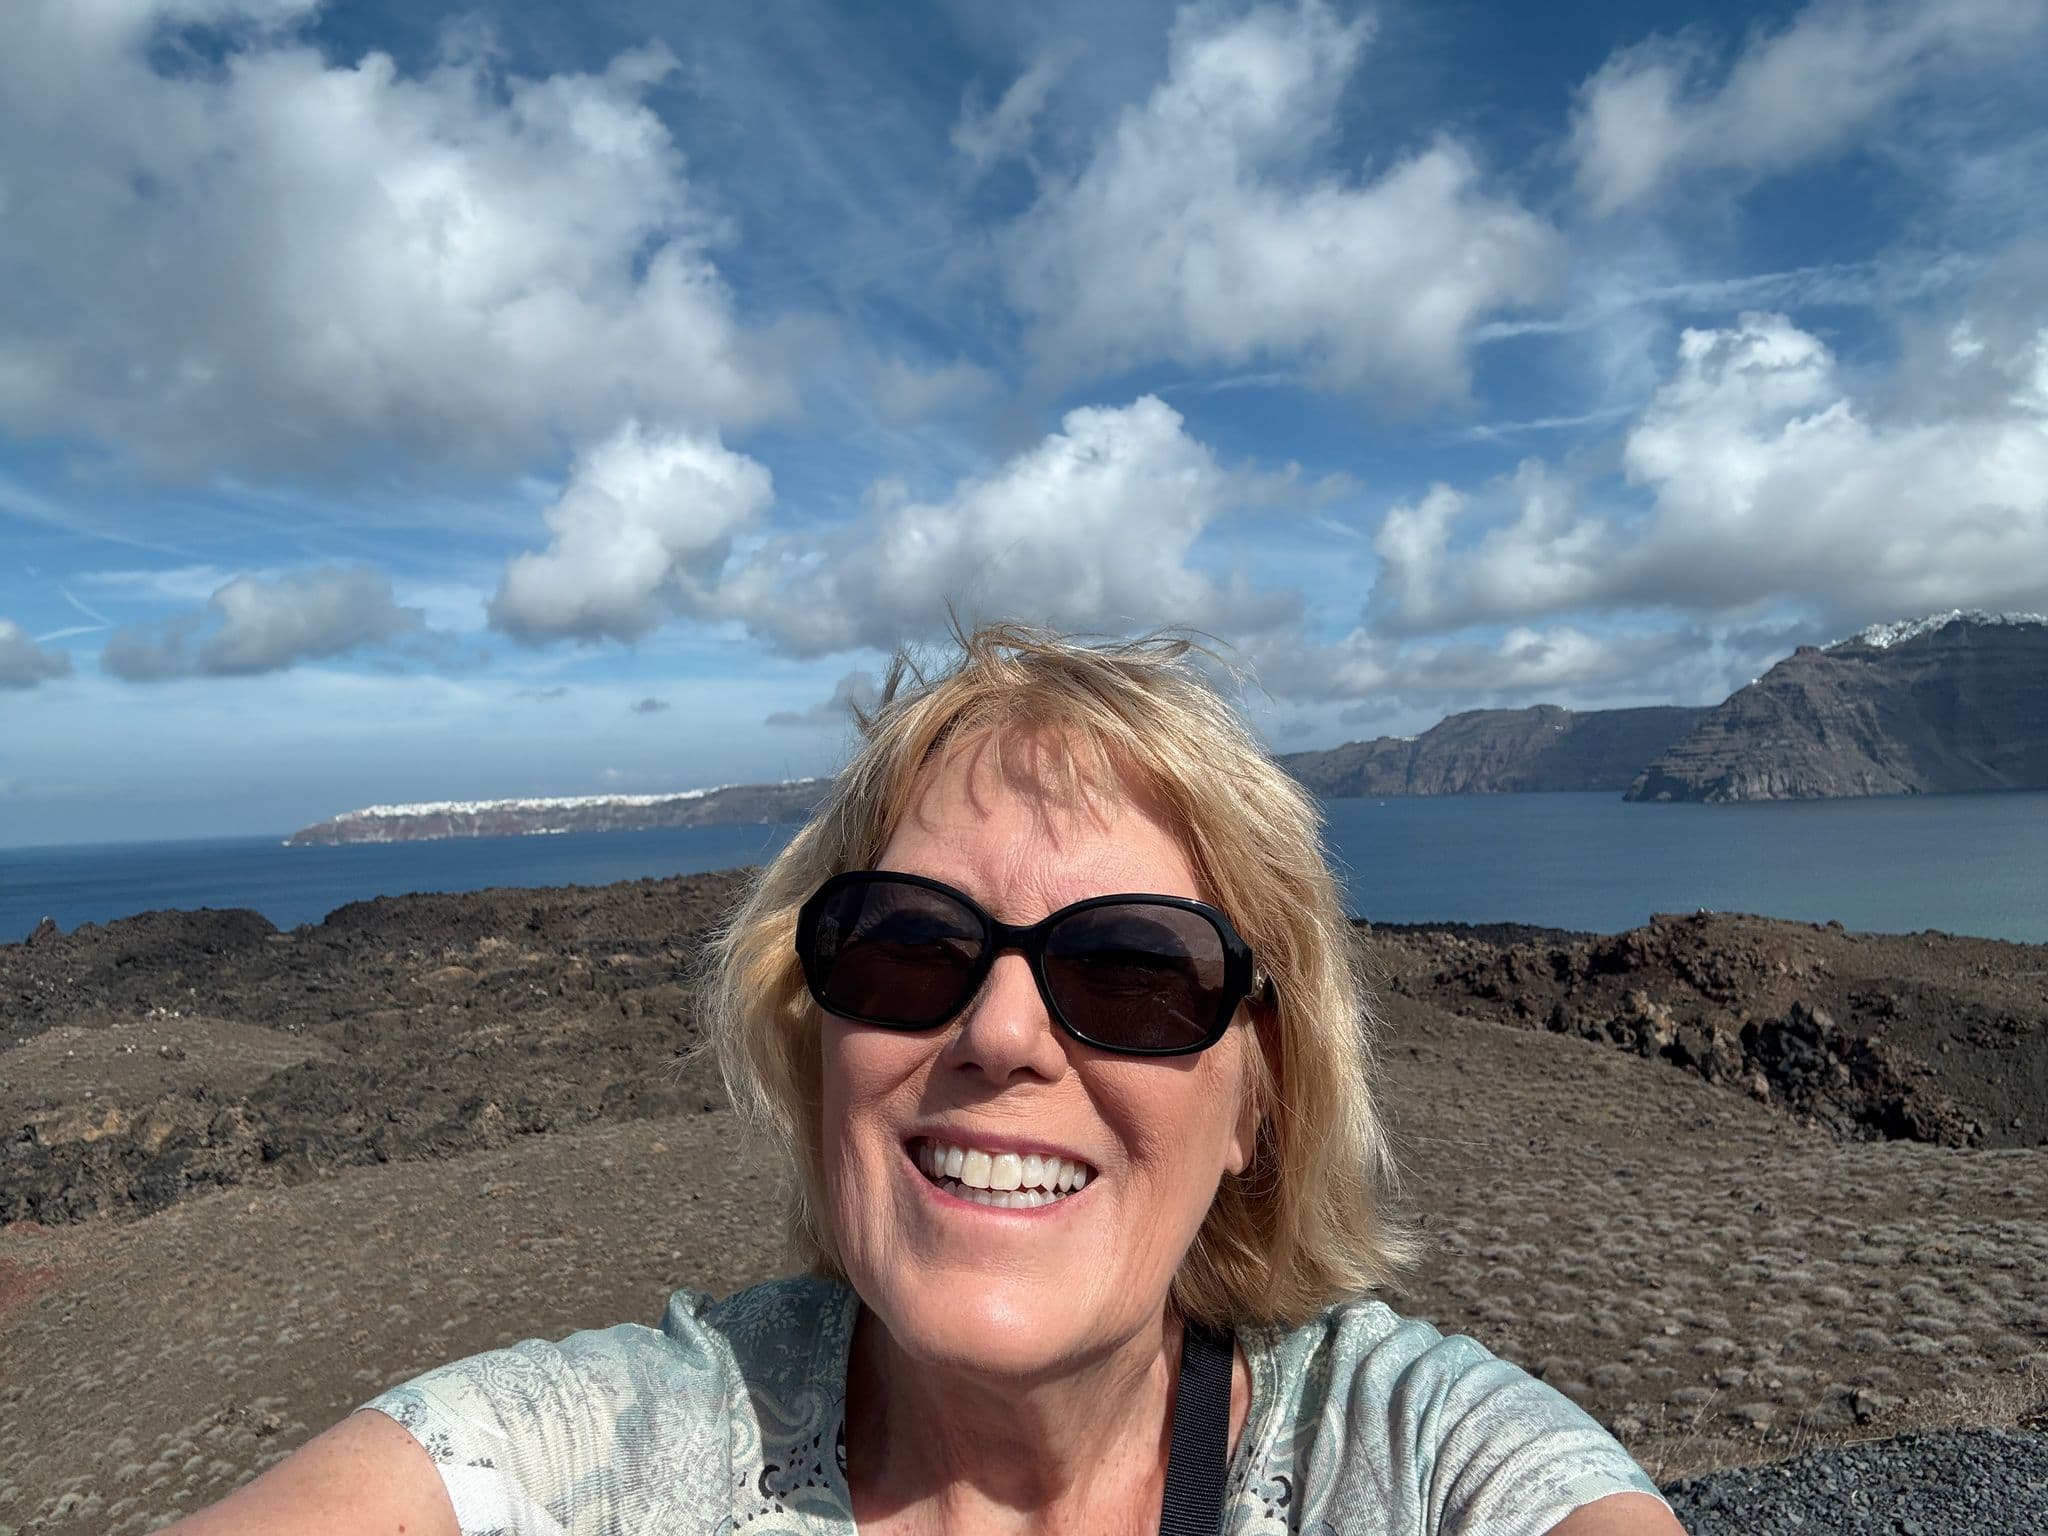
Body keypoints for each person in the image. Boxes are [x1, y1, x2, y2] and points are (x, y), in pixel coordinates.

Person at [169, 622, 1685, 1535]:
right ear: (816, 1041)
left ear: (1262, 1099)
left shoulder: (1403, 1457)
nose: (1003, 1034)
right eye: (906, 949)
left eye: (1134, 972)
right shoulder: (637, 1447)